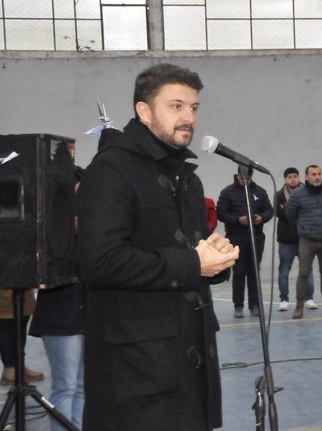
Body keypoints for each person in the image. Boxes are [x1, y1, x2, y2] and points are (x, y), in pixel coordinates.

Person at [77, 63, 239, 431]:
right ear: (144, 111)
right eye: (176, 106)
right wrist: (193, 264)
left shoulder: (186, 179)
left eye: (193, 107)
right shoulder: (111, 171)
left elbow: (187, 254)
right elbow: (99, 262)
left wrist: (214, 259)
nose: (189, 118)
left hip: (188, 365)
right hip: (136, 375)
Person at [29, 165, 86, 431]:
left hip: (84, 312)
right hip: (60, 316)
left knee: (82, 387)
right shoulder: (46, 228)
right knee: (66, 387)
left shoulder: (86, 226)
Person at [216, 167, 274, 318]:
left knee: (254, 271)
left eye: (248, 178)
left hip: (256, 237)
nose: (245, 181)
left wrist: (262, 217)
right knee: (239, 271)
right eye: (242, 178)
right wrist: (237, 220)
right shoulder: (227, 192)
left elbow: (269, 210)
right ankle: (238, 305)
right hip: (236, 237)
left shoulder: (260, 192)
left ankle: (254, 305)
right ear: (237, 175)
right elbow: (221, 214)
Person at [286, 164, 322, 319]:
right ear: (306, 177)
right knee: (303, 273)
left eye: (319, 174)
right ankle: (299, 307)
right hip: (306, 241)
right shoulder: (298, 194)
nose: (317, 177)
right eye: (313, 174)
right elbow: (290, 213)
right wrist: (302, 227)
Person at [274, 167, 316, 312]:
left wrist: (290, 208)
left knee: (307, 269)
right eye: (289, 177)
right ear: (285, 179)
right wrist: (296, 209)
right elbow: (279, 212)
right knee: (284, 270)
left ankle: (309, 298)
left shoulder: (308, 192)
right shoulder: (279, 195)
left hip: (304, 238)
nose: (292, 179)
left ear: (299, 178)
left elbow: (310, 210)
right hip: (286, 240)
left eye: (295, 176)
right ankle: (284, 299)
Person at [0, 290, 44, 385]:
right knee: (5, 317)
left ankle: (18, 366)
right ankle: (10, 367)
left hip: (22, 286)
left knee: (23, 312)